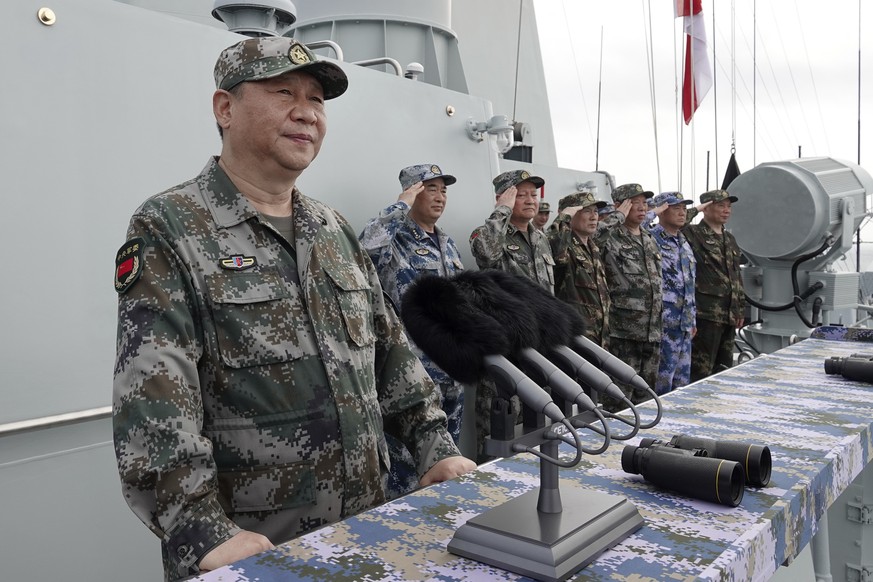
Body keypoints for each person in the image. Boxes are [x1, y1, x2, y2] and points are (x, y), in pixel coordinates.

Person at [112, 37, 474, 581]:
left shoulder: (332, 229)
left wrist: (435, 447)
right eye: (283, 92)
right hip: (255, 549)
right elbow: (154, 395)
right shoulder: (170, 225)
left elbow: (391, 352)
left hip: (365, 532)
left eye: (317, 99)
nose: (306, 111)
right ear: (225, 108)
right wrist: (201, 531)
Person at [358, 164, 466, 498]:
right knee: (406, 470)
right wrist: (400, 205)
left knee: (448, 463)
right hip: (411, 376)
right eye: (430, 188)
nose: (440, 196)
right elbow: (365, 250)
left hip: (451, 370)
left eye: (443, 190)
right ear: (413, 192)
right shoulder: (395, 239)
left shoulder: (447, 244)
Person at [595, 183, 663, 408]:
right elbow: (592, 238)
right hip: (622, 331)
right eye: (635, 203)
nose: (642, 208)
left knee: (646, 397)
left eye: (645, 203)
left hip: (652, 331)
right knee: (619, 399)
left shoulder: (649, 238)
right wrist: (616, 217)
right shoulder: (610, 235)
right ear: (620, 206)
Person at [683, 188, 745, 381]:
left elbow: (735, 276)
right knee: (701, 371)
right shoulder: (694, 233)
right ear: (707, 209)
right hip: (706, 314)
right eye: (720, 206)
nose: (726, 210)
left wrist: (740, 308)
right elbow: (678, 222)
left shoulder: (730, 239)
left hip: (729, 315)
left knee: (724, 369)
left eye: (728, 206)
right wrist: (697, 208)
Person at [469, 169, 555, 293]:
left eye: (534, 195)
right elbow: (487, 255)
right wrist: (503, 208)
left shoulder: (541, 238)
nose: (530, 201)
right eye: (521, 195)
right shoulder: (485, 234)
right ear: (501, 199)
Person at [646, 192, 697, 394]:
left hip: (684, 324)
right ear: (662, 211)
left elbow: (689, 283)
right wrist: (653, 212)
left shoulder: (683, 242)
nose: (682, 213)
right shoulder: (652, 237)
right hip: (664, 323)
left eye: (684, 209)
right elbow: (631, 228)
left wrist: (692, 319)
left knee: (682, 384)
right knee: (661, 384)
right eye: (676, 208)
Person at [547, 189, 611, 349]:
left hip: (600, 337)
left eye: (596, 211)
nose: (594, 216)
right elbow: (553, 245)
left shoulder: (593, 248)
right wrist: (564, 216)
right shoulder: (565, 247)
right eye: (586, 211)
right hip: (575, 339)